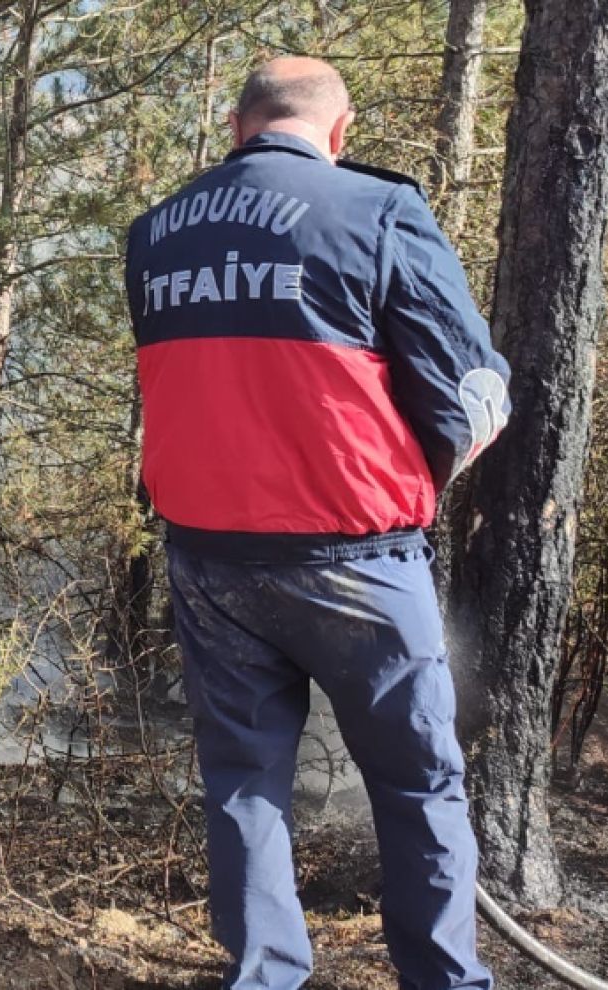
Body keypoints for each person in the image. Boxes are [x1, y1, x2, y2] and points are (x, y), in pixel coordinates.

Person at [124, 57, 510, 990]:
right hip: (356, 555)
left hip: (210, 559)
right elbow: (471, 392)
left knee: (246, 787)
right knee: (419, 785)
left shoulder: (153, 234)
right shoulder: (376, 211)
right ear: (340, 133)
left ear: (235, 125)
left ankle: (265, 977)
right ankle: (445, 981)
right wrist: (419, 476)